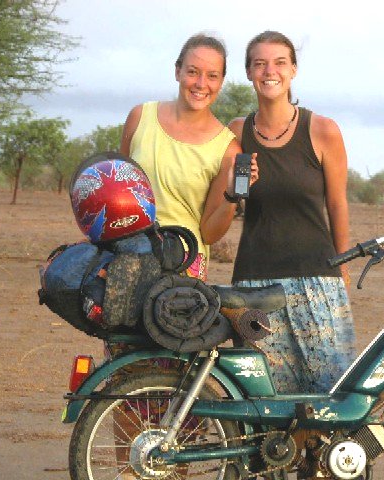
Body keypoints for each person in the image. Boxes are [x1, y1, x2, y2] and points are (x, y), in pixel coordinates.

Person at [229, 31, 356, 394]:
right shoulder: (236, 132)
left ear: (293, 71)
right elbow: (227, 196)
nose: (270, 71)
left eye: (280, 62)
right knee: (265, 398)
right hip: (254, 284)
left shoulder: (322, 130)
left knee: (330, 394)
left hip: (316, 280)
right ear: (249, 72)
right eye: (260, 63)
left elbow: (337, 203)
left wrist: (342, 267)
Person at [120, 33, 257, 281]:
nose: (201, 83)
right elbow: (116, 191)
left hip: (181, 272)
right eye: (193, 71)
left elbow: (209, 234)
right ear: (177, 71)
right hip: (126, 260)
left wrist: (231, 196)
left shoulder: (227, 148)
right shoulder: (140, 118)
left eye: (212, 76)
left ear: (221, 81)